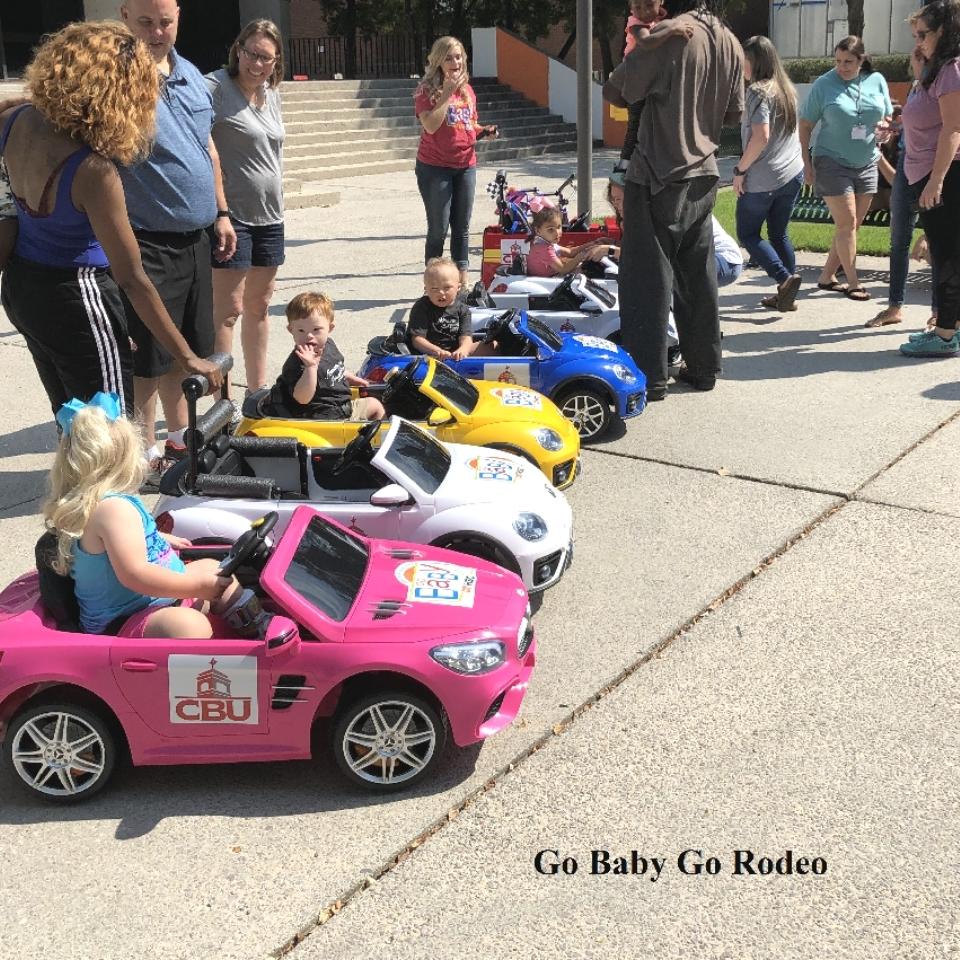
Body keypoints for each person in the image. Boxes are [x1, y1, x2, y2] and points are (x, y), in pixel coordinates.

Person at [0, 21, 220, 423]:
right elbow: (132, 278)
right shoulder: (93, 170)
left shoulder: (15, 120)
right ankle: (103, 488)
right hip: (79, 294)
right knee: (109, 430)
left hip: (23, 287)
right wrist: (186, 356)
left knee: (72, 421)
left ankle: (76, 485)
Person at [118, 0, 237, 478]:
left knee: (184, 345)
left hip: (197, 236)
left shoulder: (189, 74)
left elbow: (206, 147)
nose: (156, 31)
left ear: (179, 18)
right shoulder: (116, 78)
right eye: (145, 22)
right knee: (146, 356)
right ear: (124, 16)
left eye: (165, 22)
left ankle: (177, 438)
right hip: (145, 237)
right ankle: (141, 455)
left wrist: (222, 212)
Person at [603, 0, 744, 400]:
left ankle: (650, 376)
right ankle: (703, 367)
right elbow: (733, 114)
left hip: (659, 172)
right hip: (704, 172)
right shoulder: (728, 39)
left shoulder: (672, 35)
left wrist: (647, 42)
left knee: (647, 280)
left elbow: (618, 90)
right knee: (696, 276)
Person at [42, 393, 262, 639]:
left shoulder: (104, 502)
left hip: (151, 600)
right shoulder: (112, 509)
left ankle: (256, 627)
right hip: (124, 619)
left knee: (214, 568)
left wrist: (157, 537)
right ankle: (237, 653)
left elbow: (116, 542)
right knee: (189, 625)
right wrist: (197, 587)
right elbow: (135, 574)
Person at [206, 19, 285, 402]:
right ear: (238, 50)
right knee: (229, 310)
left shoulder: (272, 94)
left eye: (267, 58)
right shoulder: (215, 87)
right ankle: (224, 402)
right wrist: (219, 210)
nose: (258, 64)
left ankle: (257, 392)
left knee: (260, 306)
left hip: (271, 214)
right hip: (232, 215)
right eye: (252, 54)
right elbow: (203, 145)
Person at [798, 36, 893, 302]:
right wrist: (806, 162)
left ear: (861, 60)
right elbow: (804, 126)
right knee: (847, 223)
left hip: (867, 161)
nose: (842, 67)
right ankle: (853, 282)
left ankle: (827, 276)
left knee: (851, 226)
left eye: (848, 62)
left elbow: (886, 115)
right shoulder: (824, 85)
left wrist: (885, 130)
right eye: (838, 61)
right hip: (831, 161)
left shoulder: (876, 80)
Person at [897, 0, 960, 358]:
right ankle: (951, 329)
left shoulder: (952, 69)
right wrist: (920, 71)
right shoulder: (936, 70)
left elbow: (953, 128)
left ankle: (945, 334)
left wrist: (936, 181)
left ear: (944, 32)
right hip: (928, 173)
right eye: (915, 34)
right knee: (949, 253)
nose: (918, 41)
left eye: (924, 34)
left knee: (946, 255)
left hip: (944, 177)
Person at [414, 36, 499, 289]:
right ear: (439, 61)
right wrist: (446, 94)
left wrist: (484, 130)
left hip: (465, 164)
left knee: (462, 227)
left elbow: (467, 125)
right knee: (439, 228)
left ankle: (461, 281)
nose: (455, 62)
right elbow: (430, 125)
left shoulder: (468, 91)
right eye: (449, 57)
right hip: (434, 167)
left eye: (459, 56)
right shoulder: (425, 91)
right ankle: (433, 281)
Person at [733, 36, 805, 313]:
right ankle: (787, 295)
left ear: (756, 62)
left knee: (748, 233)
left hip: (765, 178)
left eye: (745, 61)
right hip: (791, 173)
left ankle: (784, 279)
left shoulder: (758, 92)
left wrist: (740, 170)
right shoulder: (786, 90)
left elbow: (760, 136)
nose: (742, 67)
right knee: (778, 233)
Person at [869, 52, 940, 328]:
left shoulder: (942, 86)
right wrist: (895, 128)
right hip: (906, 172)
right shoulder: (915, 87)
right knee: (898, 243)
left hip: (931, 172)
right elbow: (916, 126)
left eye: (916, 55)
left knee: (937, 243)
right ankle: (894, 307)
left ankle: (938, 312)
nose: (912, 57)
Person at [263, 292, 385, 419]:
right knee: (375, 407)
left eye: (316, 330)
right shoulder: (297, 362)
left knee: (376, 404)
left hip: (340, 406)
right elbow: (302, 398)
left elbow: (330, 368)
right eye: (301, 330)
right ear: (291, 330)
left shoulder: (329, 345)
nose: (309, 335)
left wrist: (348, 376)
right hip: (322, 417)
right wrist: (310, 367)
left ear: (330, 328)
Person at [615, 0, 693, 173]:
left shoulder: (660, 20)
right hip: (635, 82)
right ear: (630, 8)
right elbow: (647, 42)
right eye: (637, 8)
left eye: (649, 5)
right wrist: (674, 29)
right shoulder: (636, 23)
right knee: (635, 125)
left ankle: (650, 161)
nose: (643, 12)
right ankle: (624, 164)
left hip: (650, 81)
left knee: (651, 122)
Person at [409, 257, 479, 360]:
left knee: (492, 346)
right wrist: (436, 351)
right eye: (434, 288)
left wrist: (463, 350)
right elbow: (417, 340)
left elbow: (466, 337)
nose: (441, 293)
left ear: (458, 287)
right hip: (429, 354)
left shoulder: (463, 309)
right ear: (426, 289)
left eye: (447, 288)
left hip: (456, 353)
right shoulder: (422, 307)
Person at [526, 205, 608, 277]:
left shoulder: (547, 242)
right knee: (587, 271)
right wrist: (581, 255)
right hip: (548, 281)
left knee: (584, 266)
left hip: (553, 276)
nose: (557, 233)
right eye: (550, 230)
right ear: (538, 230)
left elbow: (570, 252)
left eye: (559, 227)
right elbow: (563, 269)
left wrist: (592, 244)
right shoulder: (543, 249)